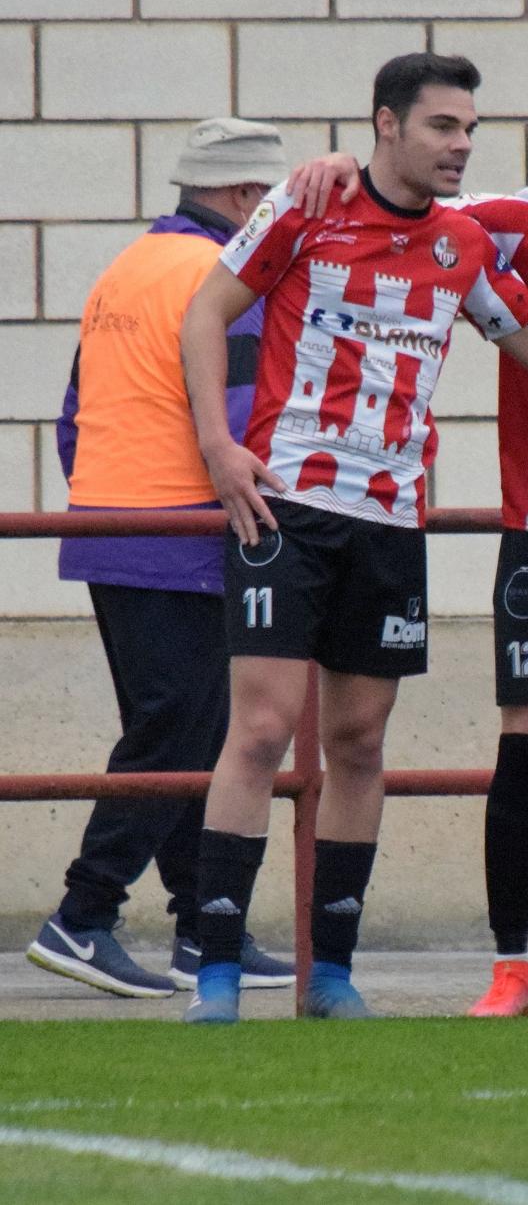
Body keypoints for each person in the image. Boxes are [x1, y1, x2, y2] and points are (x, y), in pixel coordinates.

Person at [178, 51, 528, 1024]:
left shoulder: (465, 243)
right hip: (285, 505)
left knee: (360, 741)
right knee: (258, 731)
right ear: (388, 125)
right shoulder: (306, 206)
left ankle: (329, 975)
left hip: (389, 521)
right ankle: (214, 974)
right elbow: (207, 309)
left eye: (469, 128)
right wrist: (218, 444)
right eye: (442, 127)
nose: (461, 145)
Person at [26, 118, 296, 1000]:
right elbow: (251, 412)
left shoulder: (128, 267)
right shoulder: (222, 280)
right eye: (273, 201)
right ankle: (84, 913)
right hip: (180, 528)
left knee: (192, 729)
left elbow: (74, 413)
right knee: (178, 730)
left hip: (110, 521)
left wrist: (105, 498)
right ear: (242, 198)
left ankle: (201, 925)